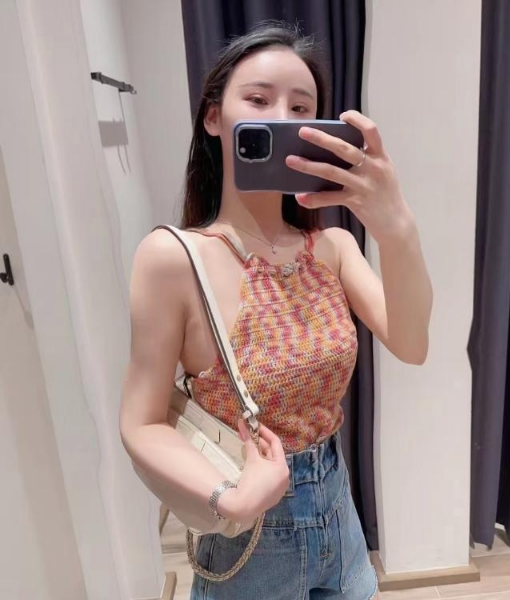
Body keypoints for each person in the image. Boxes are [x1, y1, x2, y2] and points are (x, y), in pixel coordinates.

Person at [119, 20, 433, 600]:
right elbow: (141, 420)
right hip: (249, 539)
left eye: (302, 108)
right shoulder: (174, 258)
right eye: (259, 100)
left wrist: (398, 230)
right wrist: (230, 499)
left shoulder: (333, 248)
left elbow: (413, 345)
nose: (282, 119)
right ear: (214, 118)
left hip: (339, 514)